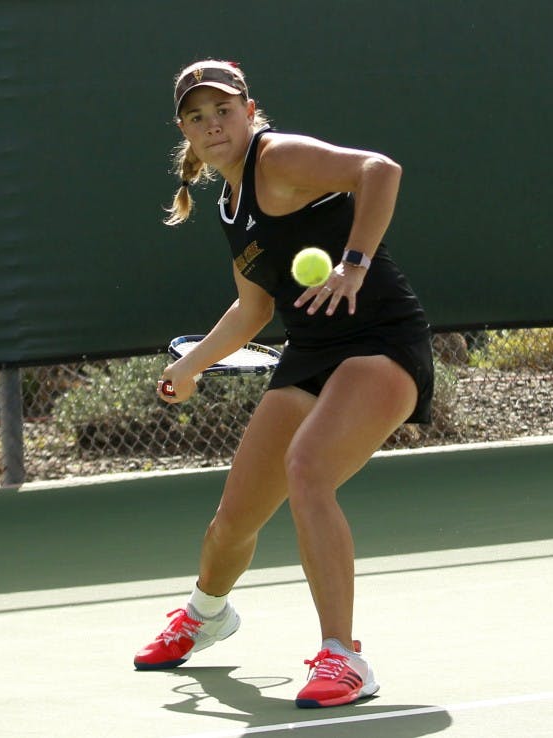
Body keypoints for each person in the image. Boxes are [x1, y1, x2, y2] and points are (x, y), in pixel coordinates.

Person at [133, 59, 434, 710]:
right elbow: (253, 309)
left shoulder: (278, 158)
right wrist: (190, 366)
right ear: (185, 131)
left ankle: (344, 657)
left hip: (380, 339)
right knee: (233, 521)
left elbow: (380, 170)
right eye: (197, 117)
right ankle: (206, 613)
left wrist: (354, 265)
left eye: (223, 110)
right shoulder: (230, 205)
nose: (213, 124)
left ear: (248, 111)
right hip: (309, 350)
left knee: (307, 470)